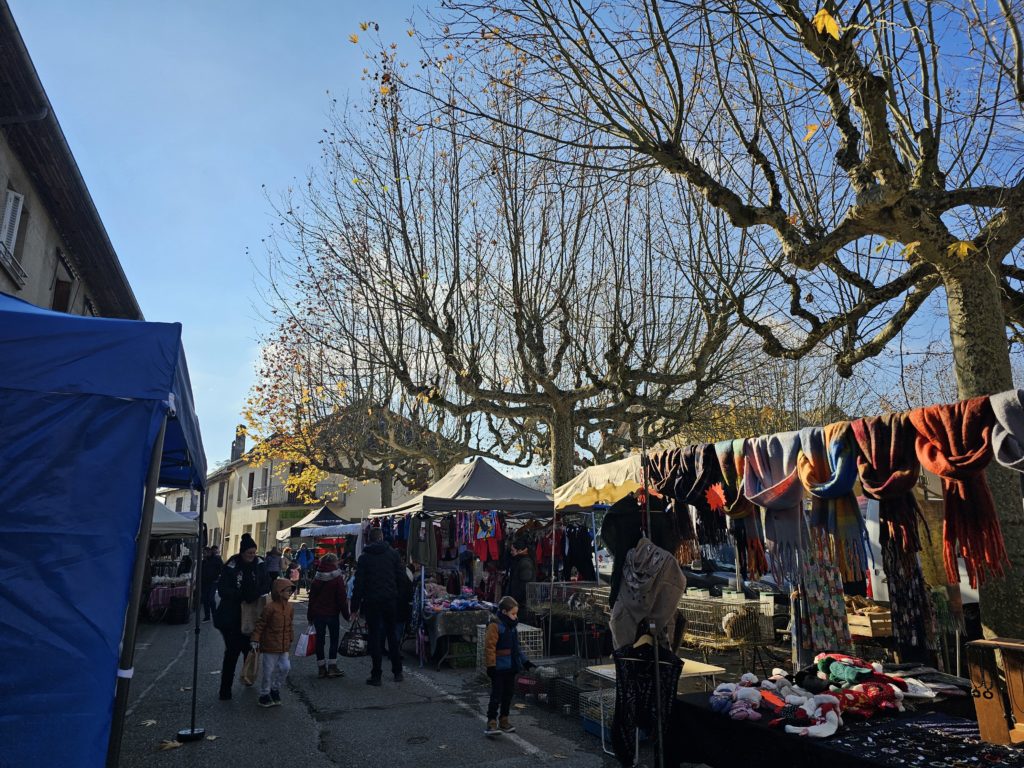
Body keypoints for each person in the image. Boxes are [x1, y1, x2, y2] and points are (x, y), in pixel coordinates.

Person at [213, 533, 271, 701]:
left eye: (253, 552)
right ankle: (225, 690)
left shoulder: (260, 564)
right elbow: (223, 589)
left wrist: (256, 593)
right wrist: (240, 595)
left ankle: (247, 677)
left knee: (250, 650)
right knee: (232, 653)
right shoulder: (232, 565)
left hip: (252, 615)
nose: (251, 556)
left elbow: (267, 583)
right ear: (242, 552)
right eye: (248, 553)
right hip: (231, 617)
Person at [350, 527, 404, 686]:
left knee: (374, 636)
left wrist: (354, 607)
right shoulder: (393, 554)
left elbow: (358, 584)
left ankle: (376, 675)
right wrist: (397, 596)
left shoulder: (364, 557)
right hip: (390, 600)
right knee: (392, 635)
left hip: (372, 601)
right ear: (381, 537)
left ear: (369, 539)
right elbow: (401, 578)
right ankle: (397, 671)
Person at [483, 596, 534, 735]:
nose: (515, 616)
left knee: (508, 695)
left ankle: (504, 720)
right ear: (504, 612)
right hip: (499, 668)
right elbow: (489, 648)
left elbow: (516, 648)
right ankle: (491, 722)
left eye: (516, 613)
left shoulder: (512, 627)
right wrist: (491, 666)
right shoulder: (495, 625)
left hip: (511, 667)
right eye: (513, 613)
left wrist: (525, 661)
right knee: (496, 695)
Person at [250, 578, 295, 708]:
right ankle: (265, 694)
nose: (290, 593)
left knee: (286, 667)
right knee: (268, 672)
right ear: (279, 592)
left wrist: (290, 637)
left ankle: (275, 689)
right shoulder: (270, 608)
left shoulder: (290, 607)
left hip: (283, 645)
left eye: (291, 590)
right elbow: (261, 624)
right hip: (270, 645)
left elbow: (290, 624)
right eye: (287, 590)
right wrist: (255, 639)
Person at [307, 553, 350, 678]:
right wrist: (346, 615)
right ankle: (332, 666)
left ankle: (321, 668)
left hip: (318, 614)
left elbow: (312, 599)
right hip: (332, 613)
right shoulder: (337, 578)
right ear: (333, 563)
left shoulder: (317, 577)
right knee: (334, 640)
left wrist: (310, 616)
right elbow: (342, 598)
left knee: (319, 641)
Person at [506, 539, 536, 609]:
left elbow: (524, 586)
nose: (511, 552)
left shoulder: (525, 563)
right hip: (517, 602)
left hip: (521, 604)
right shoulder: (519, 561)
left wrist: (516, 600)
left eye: (512, 550)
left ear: (519, 550)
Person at [200, 545, 224, 622]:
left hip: (214, 582)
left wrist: (219, 578)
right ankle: (207, 616)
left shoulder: (217, 559)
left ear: (209, 552)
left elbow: (222, 569)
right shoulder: (204, 561)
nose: (203, 555)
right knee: (205, 599)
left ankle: (214, 615)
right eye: (203, 553)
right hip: (205, 582)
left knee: (211, 598)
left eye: (205, 553)